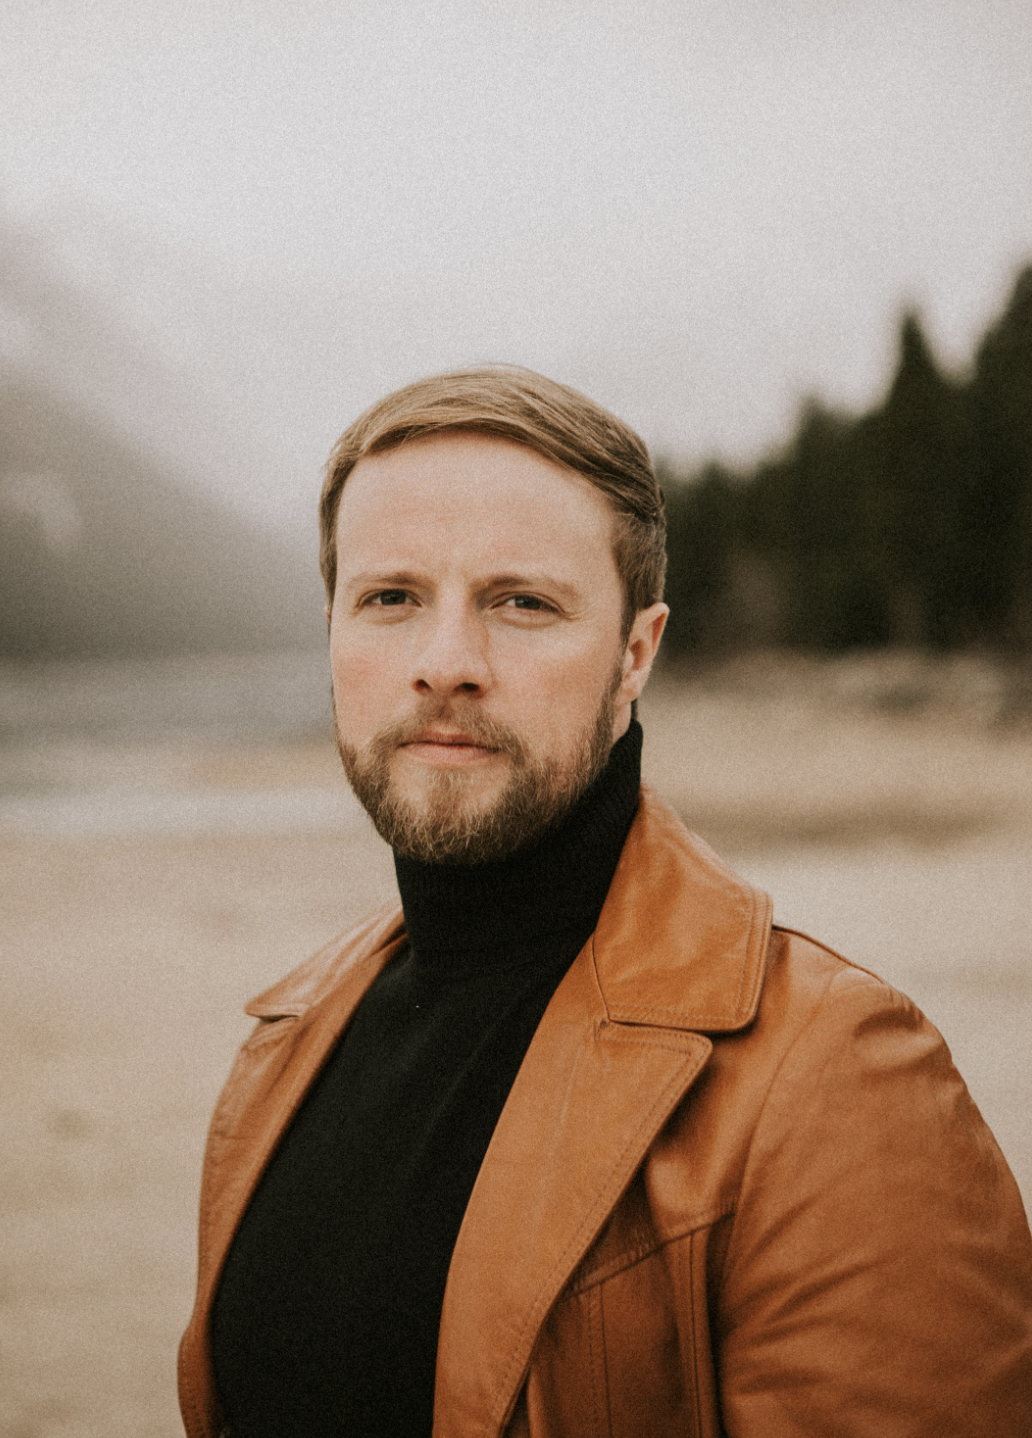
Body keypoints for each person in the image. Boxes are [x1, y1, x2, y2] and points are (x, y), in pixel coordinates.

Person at [178, 366, 1032, 1438]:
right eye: (391, 598)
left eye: (521, 603)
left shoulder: (831, 1079)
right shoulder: (287, 1048)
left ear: (635, 657)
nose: (446, 664)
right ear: (335, 633)